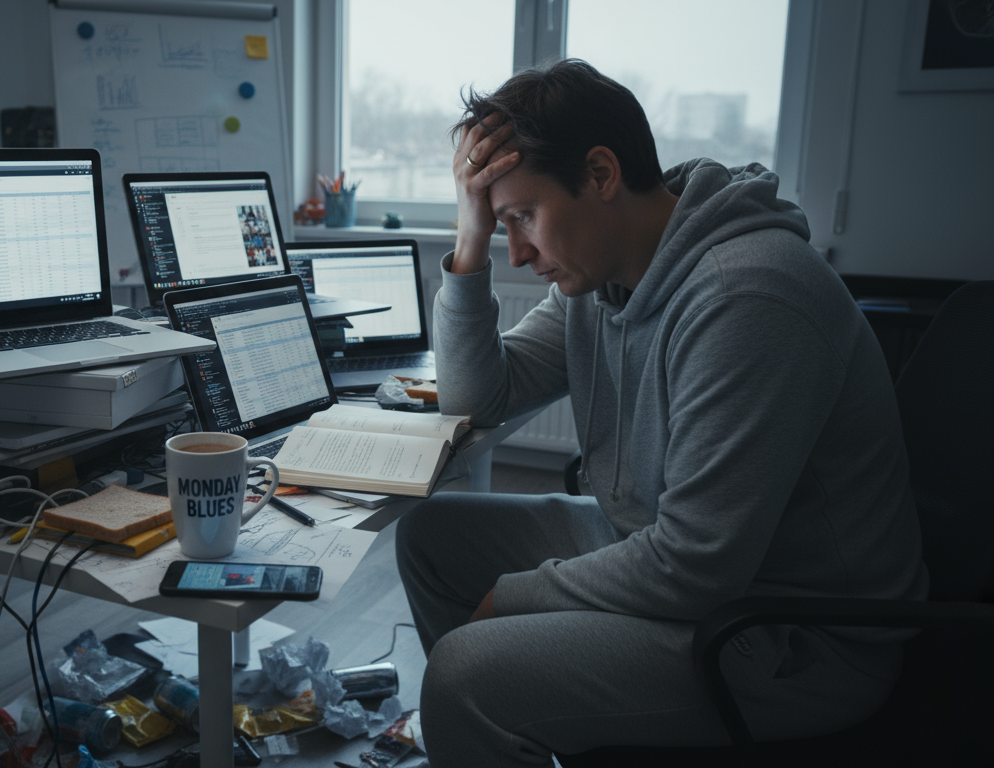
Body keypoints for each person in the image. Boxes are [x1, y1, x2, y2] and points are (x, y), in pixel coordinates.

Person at [395, 59, 927, 765]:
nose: (517, 252)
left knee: (465, 676)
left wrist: (514, 600)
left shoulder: (747, 297)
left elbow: (695, 566)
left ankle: (506, 709)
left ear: (601, 174)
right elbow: (478, 398)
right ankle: (533, 728)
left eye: (522, 216)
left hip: (793, 636)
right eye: (500, 223)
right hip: (688, 564)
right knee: (431, 537)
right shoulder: (604, 279)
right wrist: (469, 243)